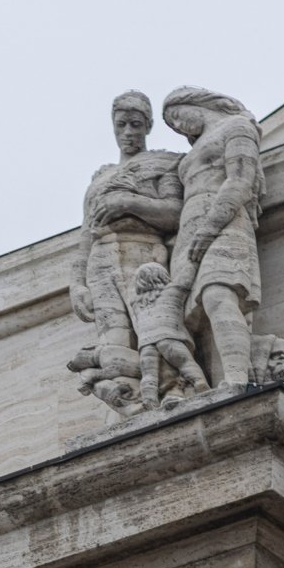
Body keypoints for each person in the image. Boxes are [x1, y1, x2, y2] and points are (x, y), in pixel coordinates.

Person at [69, 92, 183, 407]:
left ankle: (174, 387)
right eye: (122, 125)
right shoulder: (100, 179)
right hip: (100, 260)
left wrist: (128, 202)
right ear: (113, 127)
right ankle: (131, 402)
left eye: (136, 124)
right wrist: (77, 283)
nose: (129, 132)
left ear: (148, 126)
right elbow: (85, 234)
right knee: (113, 338)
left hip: (143, 250)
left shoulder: (164, 164)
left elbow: (175, 212)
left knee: (154, 331)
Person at [162, 87, 264, 391]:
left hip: (224, 221)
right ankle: (213, 384)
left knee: (218, 293)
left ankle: (237, 380)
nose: (179, 126)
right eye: (172, 125)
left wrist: (210, 226)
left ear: (197, 103)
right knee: (197, 313)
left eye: (177, 116)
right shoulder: (189, 155)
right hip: (188, 230)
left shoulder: (237, 126)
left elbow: (240, 179)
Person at [128, 262, 208, 409]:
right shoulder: (172, 292)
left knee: (149, 375)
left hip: (146, 343)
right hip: (169, 337)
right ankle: (200, 384)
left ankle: (149, 400)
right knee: (186, 364)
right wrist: (194, 261)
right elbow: (186, 279)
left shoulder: (136, 303)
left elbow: (128, 291)